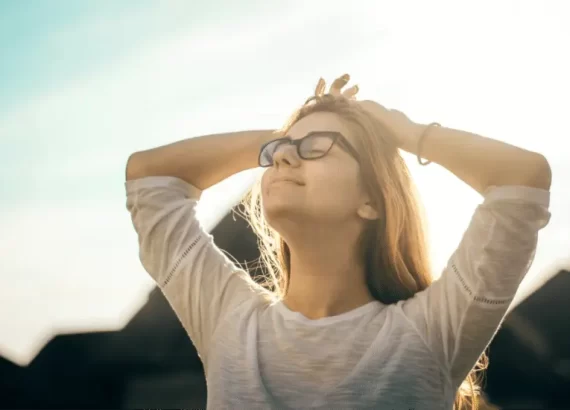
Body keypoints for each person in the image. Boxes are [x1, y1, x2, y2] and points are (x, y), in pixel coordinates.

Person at [125, 74, 552, 409]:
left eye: (317, 147)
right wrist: (282, 135)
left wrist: (403, 131)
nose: (285, 157)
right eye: (277, 152)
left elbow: (522, 179)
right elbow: (149, 176)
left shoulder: (431, 331)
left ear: (372, 200)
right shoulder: (229, 320)